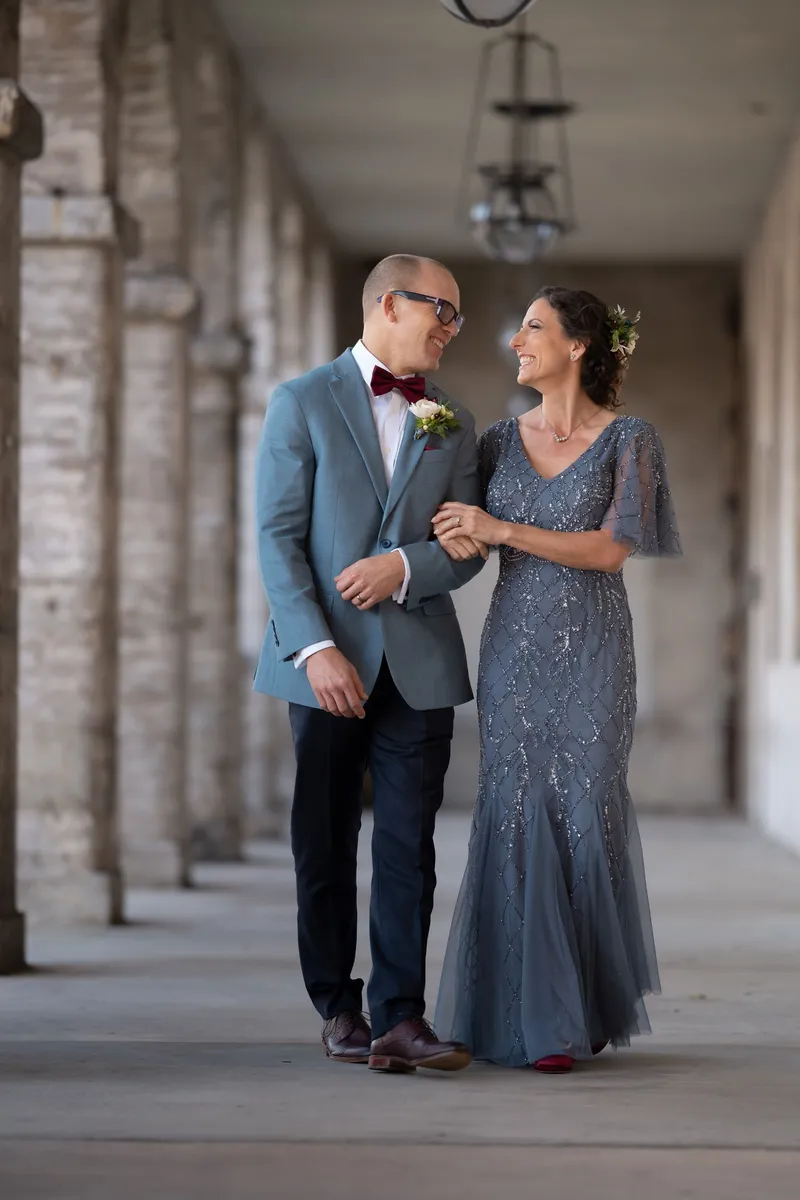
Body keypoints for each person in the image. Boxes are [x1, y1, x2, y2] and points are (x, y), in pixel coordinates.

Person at [432, 286, 681, 1074]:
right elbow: (451, 531)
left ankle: (581, 1008)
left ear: (579, 346)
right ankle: (518, 1010)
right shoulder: (496, 442)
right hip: (513, 650)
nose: (517, 342)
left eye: (532, 328)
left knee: (584, 807)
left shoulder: (630, 440)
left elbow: (612, 551)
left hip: (595, 651)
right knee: (512, 807)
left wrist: (502, 528)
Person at [254, 254, 486, 1074]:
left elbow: (464, 549)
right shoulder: (301, 402)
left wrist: (406, 567)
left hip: (418, 663)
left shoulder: (453, 421)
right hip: (324, 664)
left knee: (408, 846)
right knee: (322, 840)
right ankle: (337, 1007)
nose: (452, 329)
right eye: (443, 311)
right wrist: (315, 648)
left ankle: (400, 1016)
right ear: (389, 303)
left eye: (457, 316)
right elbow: (278, 540)